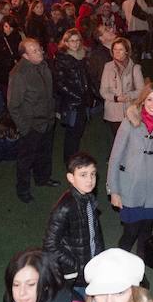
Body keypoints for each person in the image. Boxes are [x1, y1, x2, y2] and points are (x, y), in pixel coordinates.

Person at [108, 83, 153, 261]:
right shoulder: (129, 123)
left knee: (146, 232)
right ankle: (118, 268)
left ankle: (139, 271)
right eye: (149, 99)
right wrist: (114, 191)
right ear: (142, 101)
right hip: (130, 189)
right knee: (130, 233)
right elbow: (115, 158)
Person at [43, 152, 105, 292]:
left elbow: (93, 232)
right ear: (71, 178)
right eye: (83, 175)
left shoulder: (88, 197)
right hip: (77, 276)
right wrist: (75, 264)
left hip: (92, 265)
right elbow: (49, 245)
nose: (90, 180)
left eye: (93, 174)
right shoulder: (65, 207)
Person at [8, 38, 59, 203]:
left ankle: (42, 178)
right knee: (26, 160)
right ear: (25, 56)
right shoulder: (19, 74)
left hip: (47, 120)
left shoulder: (44, 65)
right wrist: (25, 128)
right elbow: (13, 105)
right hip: (31, 125)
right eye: (35, 51)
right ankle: (23, 190)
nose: (40, 53)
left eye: (40, 49)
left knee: (45, 153)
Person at [52, 29, 95, 165]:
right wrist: (76, 96)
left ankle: (74, 157)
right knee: (72, 134)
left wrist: (90, 94)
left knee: (78, 131)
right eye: (72, 41)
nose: (75, 44)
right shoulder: (62, 58)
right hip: (72, 102)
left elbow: (87, 79)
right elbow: (59, 83)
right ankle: (69, 161)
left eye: (77, 40)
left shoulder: (82, 56)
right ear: (65, 42)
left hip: (82, 100)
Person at [100, 37, 144, 135]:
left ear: (127, 51)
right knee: (117, 141)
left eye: (120, 49)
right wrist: (116, 98)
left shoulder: (135, 68)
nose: (117, 52)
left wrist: (129, 96)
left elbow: (141, 90)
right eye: (115, 49)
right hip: (113, 112)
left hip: (130, 111)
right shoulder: (108, 67)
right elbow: (103, 91)